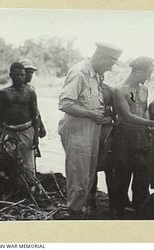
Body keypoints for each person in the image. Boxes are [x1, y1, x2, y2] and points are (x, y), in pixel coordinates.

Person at [58, 42, 122, 219]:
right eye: (109, 64)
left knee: (88, 175)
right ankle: (74, 213)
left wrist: (98, 116)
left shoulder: (95, 75)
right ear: (101, 58)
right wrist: (91, 115)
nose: (109, 69)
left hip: (91, 130)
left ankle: (78, 209)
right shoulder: (79, 72)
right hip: (77, 131)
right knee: (78, 175)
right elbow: (64, 104)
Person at [112, 56, 154, 217]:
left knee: (142, 178)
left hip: (142, 138)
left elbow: (144, 111)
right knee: (122, 177)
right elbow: (127, 116)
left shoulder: (144, 90)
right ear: (139, 71)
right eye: (148, 73)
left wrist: (150, 125)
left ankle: (141, 211)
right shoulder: (119, 90)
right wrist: (153, 124)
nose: (149, 77)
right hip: (124, 138)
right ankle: (118, 212)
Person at [0, 62, 39, 176]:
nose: (20, 77)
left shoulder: (30, 92)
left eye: (22, 75)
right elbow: (0, 114)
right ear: (11, 75)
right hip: (8, 131)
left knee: (29, 166)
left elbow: (35, 115)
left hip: (26, 131)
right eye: (17, 75)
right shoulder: (3, 93)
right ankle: (14, 190)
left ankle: (31, 190)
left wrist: (36, 136)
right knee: (10, 164)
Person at [88, 74, 117, 213]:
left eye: (101, 75)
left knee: (110, 168)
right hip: (90, 130)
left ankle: (113, 203)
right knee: (91, 167)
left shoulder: (110, 91)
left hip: (106, 131)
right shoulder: (87, 89)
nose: (99, 77)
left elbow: (117, 114)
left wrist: (110, 120)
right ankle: (91, 201)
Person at [18, 58, 46, 139]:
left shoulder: (31, 89)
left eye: (32, 73)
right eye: (28, 72)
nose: (30, 75)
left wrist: (41, 125)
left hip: (28, 127)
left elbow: (35, 110)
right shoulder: (11, 91)